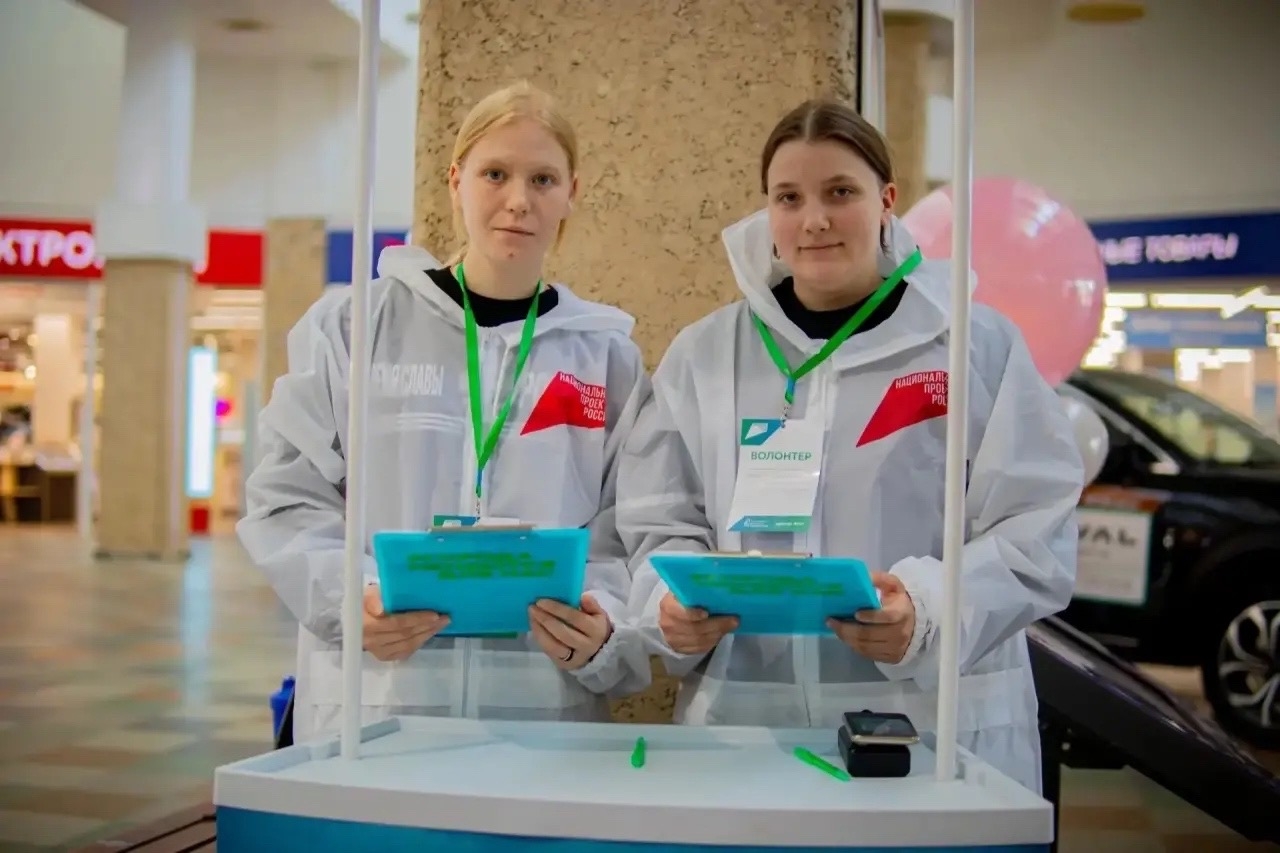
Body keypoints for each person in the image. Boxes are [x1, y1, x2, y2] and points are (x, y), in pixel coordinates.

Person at [615, 98, 1084, 793]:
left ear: (887, 201)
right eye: (789, 197)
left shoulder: (971, 346)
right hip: (746, 733)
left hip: (931, 733)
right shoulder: (707, 355)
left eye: (840, 192)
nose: (814, 220)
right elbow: (658, 519)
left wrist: (928, 609)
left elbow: (1036, 530)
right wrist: (669, 602)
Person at [238, 81, 651, 741]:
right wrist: (353, 601)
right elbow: (286, 496)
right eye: (495, 174)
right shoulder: (356, 327)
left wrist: (603, 627)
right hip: (377, 707)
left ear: (572, 191)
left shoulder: (605, 358)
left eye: (543, 179)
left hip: (540, 716)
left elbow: (627, 530)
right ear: (456, 179)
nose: (518, 200)